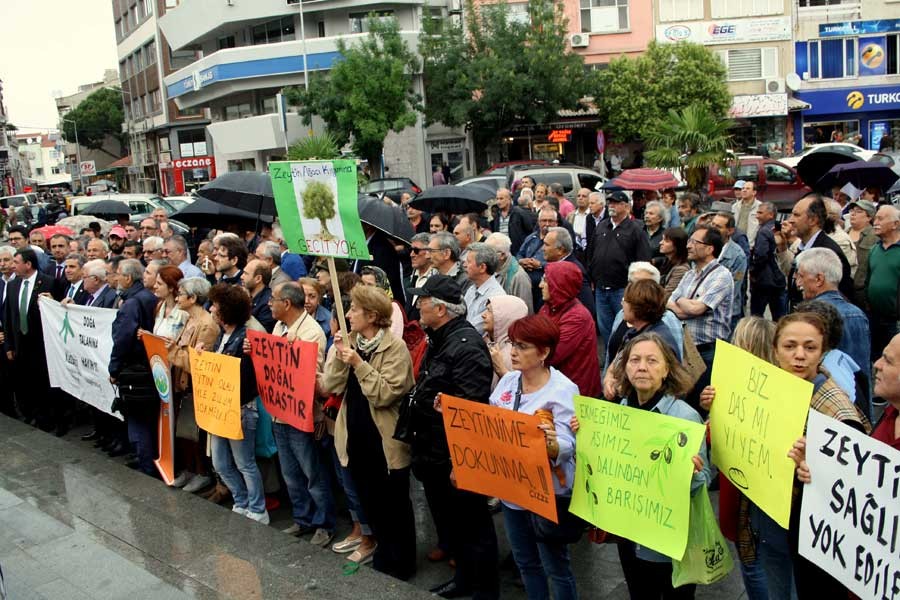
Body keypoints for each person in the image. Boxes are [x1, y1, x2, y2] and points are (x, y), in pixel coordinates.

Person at [582, 332, 710, 599]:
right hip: (628, 531)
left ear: (667, 370)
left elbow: (705, 479)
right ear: (625, 368)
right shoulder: (619, 411)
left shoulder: (684, 417)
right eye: (635, 360)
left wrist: (692, 474)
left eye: (652, 361)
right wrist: (587, 435)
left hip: (668, 540)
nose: (642, 367)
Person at [405, 274, 499, 597]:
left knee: (473, 525)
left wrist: (461, 462)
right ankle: (464, 580)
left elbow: (470, 412)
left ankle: (483, 589)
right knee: (454, 524)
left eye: (424, 301)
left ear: (442, 310)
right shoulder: (440, 337)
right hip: (433, 449)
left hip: (454, 456)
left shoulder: (466, 346)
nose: (418, 306)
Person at [321, 284, 417, 577]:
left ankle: (402, 563)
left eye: (354, 310)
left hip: (385, 443)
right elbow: (330, 385)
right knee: (370, 503)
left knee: (394, 507)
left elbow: (385, 394)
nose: (348, 315)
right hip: (355, 437)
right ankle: (383, 555)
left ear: (373, 316)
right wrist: (339, 355)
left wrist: (358, 363)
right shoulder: (351, 344)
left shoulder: (395, 348)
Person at [488, 314, 579, 600]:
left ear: (544, 352)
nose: (513, 351)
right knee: (526, 562)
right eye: (513, 343)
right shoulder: (508, 382)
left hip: (547, 491)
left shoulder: (564, 390)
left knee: (556, 566)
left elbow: (570, 445)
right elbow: (490, 424)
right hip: (512, 490)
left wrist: (552, 445)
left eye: (523, 346)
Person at [701, 317, 782, 600]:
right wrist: (711, 409)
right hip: (743, 488)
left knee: (753, 564)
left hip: (750, 497)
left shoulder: (774, 393)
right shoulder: (731, 384)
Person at [265, 282, 334, 545]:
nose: (270, 304)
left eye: (274, 299)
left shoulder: (311, 332)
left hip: (302, 416)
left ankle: (324, 524)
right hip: (279, 413)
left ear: (287, 304)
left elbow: (312, 377)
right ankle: (302, 518)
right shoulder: (279, 327)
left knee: (312, 472)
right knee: (291, 473)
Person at [205, 283, 269, 524]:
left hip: (241, 409)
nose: (211, 309)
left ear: (227, 310)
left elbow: (247, 374)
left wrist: (250, 354)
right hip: (222, 408)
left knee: (245, 463)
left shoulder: (246, 338)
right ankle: (241, 500)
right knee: (220, 463)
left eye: (216, 306)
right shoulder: (223, 335)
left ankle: (257, 508)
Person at [667, 226, 734, 409]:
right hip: (686, 349)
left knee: (699, 404)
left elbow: (697, 308)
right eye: (689, 241)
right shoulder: (689, 274)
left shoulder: (722, 276)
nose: (688, 246)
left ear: (710, 248)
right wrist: (684, 304)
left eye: (694, 242)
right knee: (682, 400)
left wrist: (681, 302)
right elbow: (669, 303)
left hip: (708, 352)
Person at [167, 277, 219, 493]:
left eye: (180, 293)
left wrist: (172, 351)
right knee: (183, 433)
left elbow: (198, 364)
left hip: (195, 387)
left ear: (193, 297)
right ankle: (188, 469)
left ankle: (201, 473)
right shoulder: (188, 319)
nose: (177, 297)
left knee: (195, 434)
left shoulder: (207, 325)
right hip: (181, 386)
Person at [3, 248, 60, 432]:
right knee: (24, 384)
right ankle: (31, 415)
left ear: (28, 264)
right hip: (19, 346)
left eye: (16, 262)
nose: (12, 266)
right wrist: (9, 345)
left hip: (41, 346)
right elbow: (8, 317)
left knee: (42, 385)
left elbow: (59, 313)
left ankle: (46, 419)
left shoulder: (49, 283)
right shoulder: (12, 285)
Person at [108, 259, 159, 466]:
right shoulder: (148, 298)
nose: (116, 277)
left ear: (128, 278)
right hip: (149, 366)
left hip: (135, 371)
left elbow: (123, 338)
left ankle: (145, 463)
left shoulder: (132, 303)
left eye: (119, 274)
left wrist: (114, 368)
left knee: (138, 421)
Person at [794, 248, 871, 383]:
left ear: (819, 279)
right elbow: (863, 372)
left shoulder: (809, 317)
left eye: (801, 276)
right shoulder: (857, 314)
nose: (798, 282)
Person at [589, 191, 652, 345]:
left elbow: (644, 260)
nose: (612, 206)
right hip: (601, 288)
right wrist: (591, 276)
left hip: (622, 289)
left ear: (626, 206)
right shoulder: (602, 226)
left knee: (624, 328)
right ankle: (611, 360)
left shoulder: (636, 229)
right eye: (610, 202)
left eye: (616, 203)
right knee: (605, 329)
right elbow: (590, 253)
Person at [538, 261, 601, 398]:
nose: (540, 285)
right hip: (555, 385)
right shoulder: (547, 308)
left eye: (546, 281)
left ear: (559, 285)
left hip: (575, 391)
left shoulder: (577, 317)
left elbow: (552, 355)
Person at [787, 194, 854, 306]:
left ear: (813, 220)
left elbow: (840, 299)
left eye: (796, 215)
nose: (790, 220)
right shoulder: (804, 247)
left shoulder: (829, 253)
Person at [866, 205, 900, 365]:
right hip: (874, 317)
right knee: (875, 360)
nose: (875, 222)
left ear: (895, 224)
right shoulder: (874, 250)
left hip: (895, 321)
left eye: (881, 219)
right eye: (875, 218)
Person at [542, 227, 595, 318]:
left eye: (546, 245)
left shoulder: (574, 271)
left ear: (560, 250)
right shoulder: (555, 266)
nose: (543, 248)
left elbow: (587, 307)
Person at [749, 202, 787, 320]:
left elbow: (761, 255)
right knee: (779, 317)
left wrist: (753, 271)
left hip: (763, 281)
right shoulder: (777, 230)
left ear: (770, 215)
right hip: (778, 279)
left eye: (760, 213)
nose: (757, 215)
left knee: (756, 318)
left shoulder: (764, 231)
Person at [711, 212, 748, 329]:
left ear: (730, 231)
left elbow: (733, 288)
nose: (713, 229)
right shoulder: (704, 247)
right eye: (712, 224)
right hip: (706, 311)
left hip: (727, 314)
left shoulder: (738, 256)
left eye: (718, 226)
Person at [482, 295, 529, 387]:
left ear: (504, 317)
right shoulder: (487, 342)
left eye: (489, 311)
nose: (483, 315)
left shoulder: (512, 355)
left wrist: (501, 371)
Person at [517, 207, 557, 312]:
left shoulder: (560, 240)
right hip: (527, 286)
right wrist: (521, 261)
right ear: (539, 222)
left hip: (547, 287)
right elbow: (519, 254)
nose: (547, 224)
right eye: (544, 220)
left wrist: (540, 265)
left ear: (556, 223)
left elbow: (563, 263)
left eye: (550, 221)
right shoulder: (531, 238)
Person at [461, 242, 504, 336]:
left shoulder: (495, 297)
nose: (464, 265)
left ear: (482, 267)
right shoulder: (472, 289)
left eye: (469, 261)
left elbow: (473, 330)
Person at [485, 232, 533, 314]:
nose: (484, 256)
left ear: (502, 255)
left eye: (488, 253)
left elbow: (526, 312)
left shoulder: (519, 277)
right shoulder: (491, 268)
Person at [845, 198, 877, 307]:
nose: (853, 214)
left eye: (859, 211)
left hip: (862, 293)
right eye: (852, 211)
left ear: (869, 217)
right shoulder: (843, 234)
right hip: (844, 289)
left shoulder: (875, 236)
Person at [402, 233, 437, 321]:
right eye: (411, 250)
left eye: (416, 250)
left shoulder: (436, 279)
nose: (411, 254)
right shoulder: (412, 277)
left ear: (429, 252)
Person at [491, 187, 534, 255]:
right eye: (497, 199)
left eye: (501, 198)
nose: (498, 202)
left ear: (509, 199)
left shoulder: (519, 213)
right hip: (502, 253)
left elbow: (529, 231)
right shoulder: (497, 216)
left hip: (517, 252)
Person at [240, 259, 275, 333]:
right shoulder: (244, 294)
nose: (241, 277)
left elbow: (262, 335)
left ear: (258, 279)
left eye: (246, 274)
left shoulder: (268, 302)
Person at [656, 227, 690, 298]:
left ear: (677, 245)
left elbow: (667, 296)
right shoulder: (668, 262)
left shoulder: (681, 269)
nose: (661, 243)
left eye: (666, 241)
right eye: (662, 239)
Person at [298, 277, 332, 342]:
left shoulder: (328, 320)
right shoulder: (288, 315)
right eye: (302, 295)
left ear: (319, 298)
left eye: (312, 296)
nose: (306, 301)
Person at [567, 187, 592, 263]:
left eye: (584, 196)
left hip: (587, 252)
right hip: (573, 251)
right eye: (578, 196)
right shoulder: (570, 215)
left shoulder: (592, 215)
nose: (580, 198)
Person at [733, 181, 761, 248]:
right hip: (735, 243)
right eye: (743, 188)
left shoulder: (760, 207)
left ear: (754, 192)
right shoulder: (735, 206)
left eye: (748, 188)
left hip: (750, 245)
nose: (744, 190)